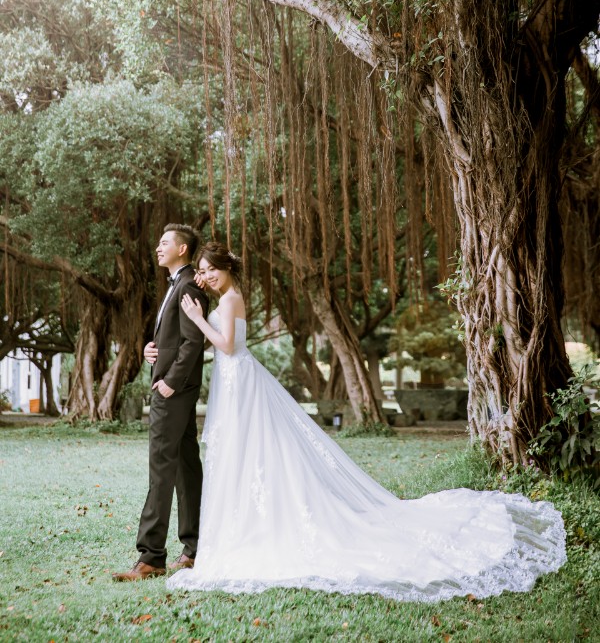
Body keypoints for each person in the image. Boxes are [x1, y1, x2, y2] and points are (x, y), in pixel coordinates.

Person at [167, 241, 566, 602]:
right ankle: (245, 524)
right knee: (242, 454)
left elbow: (230, 346)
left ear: (227, 268)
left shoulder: (231, 298)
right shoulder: (223, 300)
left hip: (241, 381)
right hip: (233, 383)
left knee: (254, 449)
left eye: (209, 269)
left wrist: (199, 320)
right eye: (200, 271)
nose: (205, 277)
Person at [113, 224, 209, 581]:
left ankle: (152, 556)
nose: (157, 247)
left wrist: (169, 381)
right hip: (176, 388)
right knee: (185, 466)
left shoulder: (187, 286)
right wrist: (152, 351)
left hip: (173, 392)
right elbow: (176, 340)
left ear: (182, 250)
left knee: (161, 468)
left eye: (165, 242)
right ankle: (195, 548)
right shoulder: (177, 285)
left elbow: (193, 342)